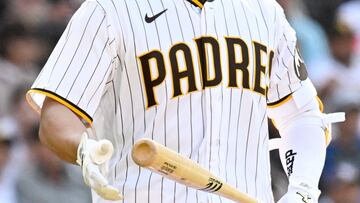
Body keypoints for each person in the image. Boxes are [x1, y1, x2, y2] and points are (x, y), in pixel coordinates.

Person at [26, 0, 344, 202]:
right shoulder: (109, 10)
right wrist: (84, 150)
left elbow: (302, 116)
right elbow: (57, 117)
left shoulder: (264, 11)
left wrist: (302, 189)